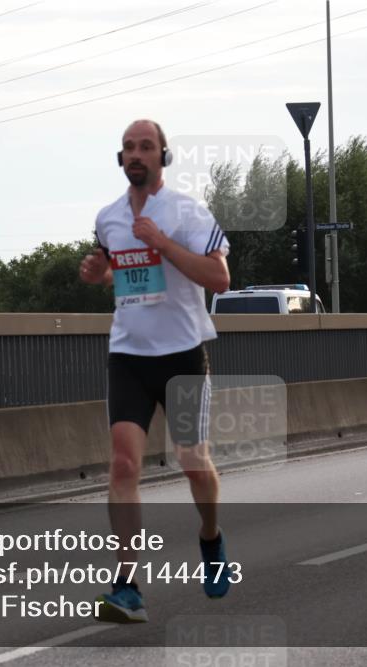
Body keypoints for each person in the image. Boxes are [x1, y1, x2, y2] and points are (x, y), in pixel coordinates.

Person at [79, 119, 232, 623]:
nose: (136, 154)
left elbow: (220, 279)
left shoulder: (187, 211)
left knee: (193, 461)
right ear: (120, 159)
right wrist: (98, 272)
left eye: (146, 146)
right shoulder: (108, 218)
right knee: (124, 465)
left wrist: (164, 243)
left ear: (163, 156)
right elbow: (114, 271)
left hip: (183, 353)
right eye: (128, 148)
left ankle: (210, 539)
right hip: (128, 355)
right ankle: (127, 584)